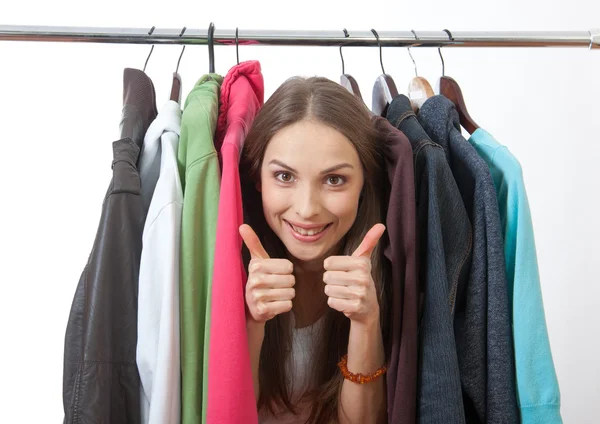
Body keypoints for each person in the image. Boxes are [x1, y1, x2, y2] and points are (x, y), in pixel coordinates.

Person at [239, 76, 389, 424]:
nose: (306, 209)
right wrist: (251, 322)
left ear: (364, 184)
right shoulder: (224, 262)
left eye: (334, 180)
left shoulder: (396, 268)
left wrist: (366, 320)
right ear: (257, 177)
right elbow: (230, 412)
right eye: (285, 177)